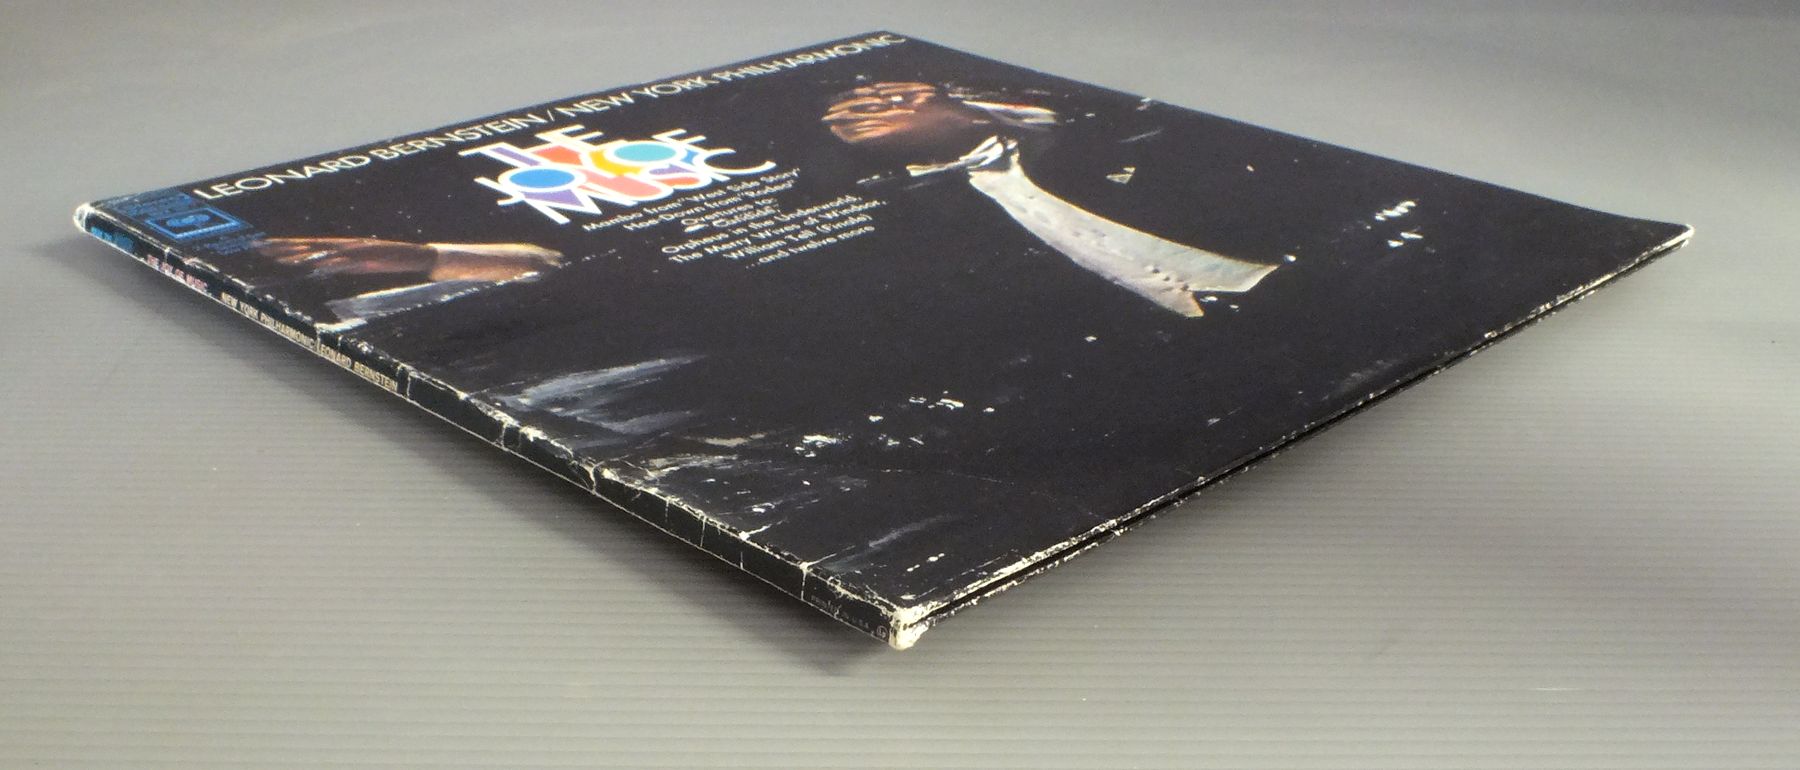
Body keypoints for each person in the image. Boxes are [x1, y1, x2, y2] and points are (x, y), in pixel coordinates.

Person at [819, 81, 1279, 317]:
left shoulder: (1090, 135)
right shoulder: (918, 210)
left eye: (891, 100)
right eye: (855, 115)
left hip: (1263, 273)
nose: (876, 112)